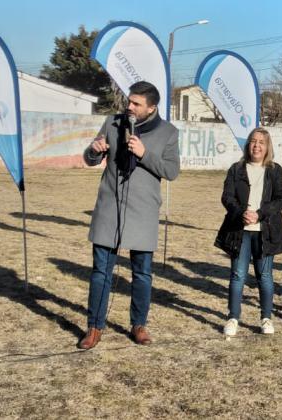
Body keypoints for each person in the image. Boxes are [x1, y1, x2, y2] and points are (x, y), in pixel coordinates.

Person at [78, 81, 180, 349]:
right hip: (109, 208)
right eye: (129, 101)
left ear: (152, 108)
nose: (130, 107)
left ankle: (139, 325)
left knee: (142, 274)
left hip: (143, 211)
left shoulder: (168, 132)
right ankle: (94, 327)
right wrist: (94, 151)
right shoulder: (112, 123)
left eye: (136, 104)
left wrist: (145, 154)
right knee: (101, 272)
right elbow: (89, 159)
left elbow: (171, 171)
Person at [215, 128, 282, 337]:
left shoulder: (275, 171)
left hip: (265, 231)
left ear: (267, 147)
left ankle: (266, 318)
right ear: (248, 145)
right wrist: (241, 213)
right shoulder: (236, 169)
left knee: (264, 275)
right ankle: (233, 317)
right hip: (240, 230)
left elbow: (281, 199)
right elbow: (227, 197)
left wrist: (260, 214)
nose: (257, 146)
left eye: (261, 142)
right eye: (253, 141)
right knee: (237, 275)